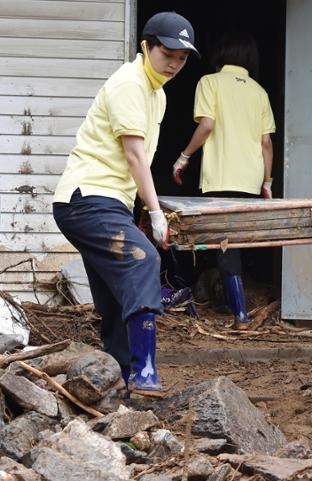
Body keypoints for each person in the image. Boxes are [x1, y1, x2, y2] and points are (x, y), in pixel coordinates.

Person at [52, 12, 199, 397]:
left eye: (182, 58)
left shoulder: (158, 94)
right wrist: (155, 214)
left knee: (116, 291)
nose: (174, 64)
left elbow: (138, 164)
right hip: (86, 198)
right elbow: (135, 157)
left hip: (108, 201)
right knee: (143, 260)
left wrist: (138, 212)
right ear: (145, 47)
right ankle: (145, 370)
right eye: (167, 54)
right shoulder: (129, 84)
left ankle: (117, 378)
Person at [173, 32, 276, 330]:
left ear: (219, 54)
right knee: (237, 243)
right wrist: (267, 182)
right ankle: (237, 307)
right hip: (251, 179)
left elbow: (207, 125)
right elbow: (266, 143)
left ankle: (240, 314)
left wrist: (184, 157)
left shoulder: (210, 82)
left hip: (220, 177)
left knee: (225, 244)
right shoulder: (259, 92)